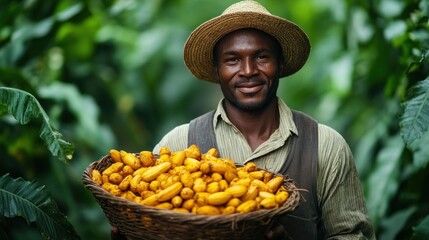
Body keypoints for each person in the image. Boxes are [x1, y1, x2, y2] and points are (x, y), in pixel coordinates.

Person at [112, 1, 375, 239]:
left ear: (280, 64)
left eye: (261, 57)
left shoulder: (325, 146)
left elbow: (352, 236)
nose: (248, 71)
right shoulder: (178, 143)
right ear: (217, 70)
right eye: (233, 59)